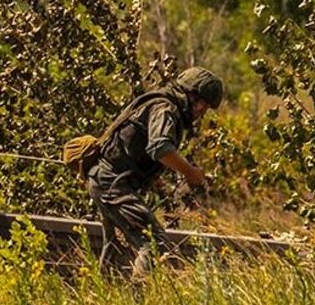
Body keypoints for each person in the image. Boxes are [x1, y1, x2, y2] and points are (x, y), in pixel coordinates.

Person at [86, 66, 225, 277]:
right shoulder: (165, 109)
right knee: (154, 242)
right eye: (202, 106)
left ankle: (104, 300)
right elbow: (160, 148)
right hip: (113, 182)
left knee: (114, 246)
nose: (201, 113)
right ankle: (138, 300)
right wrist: (190, 172)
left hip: (107, 180)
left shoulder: (162, 104)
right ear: (191, 96)